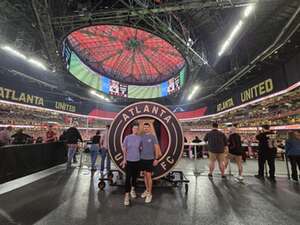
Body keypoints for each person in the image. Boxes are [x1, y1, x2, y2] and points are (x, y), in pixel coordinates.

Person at [140, 123, 162, 203]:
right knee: (145, 175)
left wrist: (156, 159)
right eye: (145, 127)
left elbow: (156, 148)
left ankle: (150, 193)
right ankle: (147, 190)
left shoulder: (153, 137)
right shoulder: (141, 137)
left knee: (149, 176)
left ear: (149, 128)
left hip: (150, 159)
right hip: (142, 159)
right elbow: (140, 147)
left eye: (147, 127)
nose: (146, 128)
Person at [121, 124, 142, 206]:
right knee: (127, 178)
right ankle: (126, 196)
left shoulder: (140, 138)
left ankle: (132, 190)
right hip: (129, 161)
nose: (135, 129)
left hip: (137, 160)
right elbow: (124, 148)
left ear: (138, 130)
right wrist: (124, 159)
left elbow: (141, 148)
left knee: (134, 177)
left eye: (137, 128)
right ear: (132, 129)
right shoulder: (127, 137)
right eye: (134, 128)